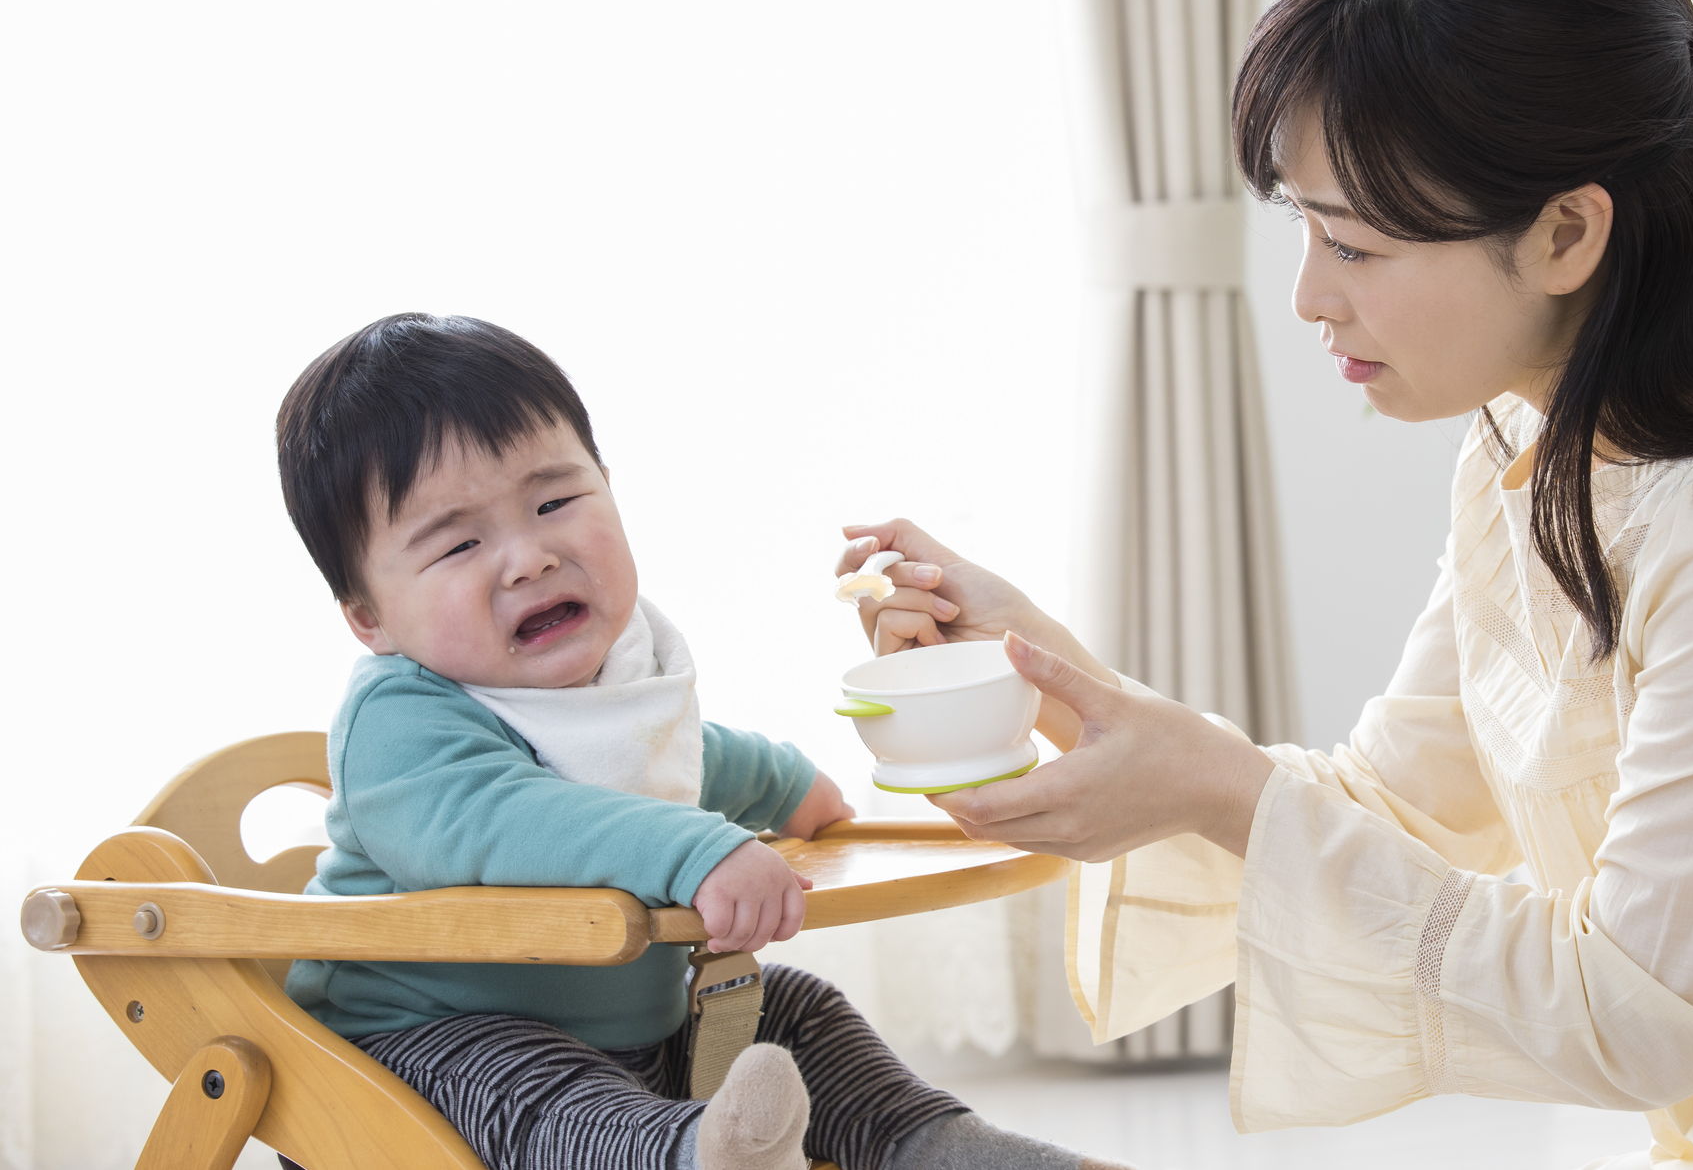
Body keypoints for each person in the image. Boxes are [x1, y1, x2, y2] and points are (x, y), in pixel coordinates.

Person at [835, 0, 1693, 1170]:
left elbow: (1637, 1014)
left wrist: (1214, 792)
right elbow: (1403, 799)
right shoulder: (1536, 431)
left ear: (1567, 233)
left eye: (1356, 245)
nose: (1308, 300)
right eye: (1306, 231)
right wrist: (1051, 672)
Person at [275, 313, 1130, 1170]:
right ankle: (698, 1156)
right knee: (537, 1087)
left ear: (608, 484)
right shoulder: (398, 721)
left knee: (793, 1012)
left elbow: (676, 760)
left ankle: (947, 1147)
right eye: (460, 542)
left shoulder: (614, 669)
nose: (528, 557)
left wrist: (782, 785)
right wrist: (698, 849)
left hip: (637, 1027)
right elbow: (506, 818)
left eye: (555, 501)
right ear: (369, 617)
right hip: (411, 1047)